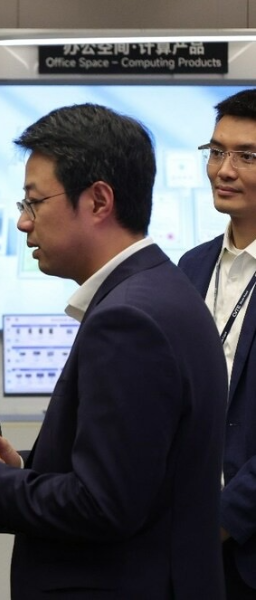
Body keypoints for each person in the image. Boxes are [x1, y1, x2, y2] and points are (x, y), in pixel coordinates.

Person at [0, 104, 228, 599]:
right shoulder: (163, 289)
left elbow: (104, 505)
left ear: (98, 201)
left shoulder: (129, 320)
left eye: (34, 202)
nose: (23, 223)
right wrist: (24, 471)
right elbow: (133, 472)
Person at [179, 88, 256, 598]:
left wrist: (224, 519)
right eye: (216, 151)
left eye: (247, 156)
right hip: (183, 542)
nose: (224, 170)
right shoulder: (191, 266)